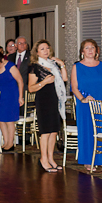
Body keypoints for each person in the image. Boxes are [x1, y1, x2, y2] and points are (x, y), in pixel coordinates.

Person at [71, 39, 102, 173]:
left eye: (92, 47)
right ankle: (88, 160)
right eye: (87, 48)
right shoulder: (77, 66)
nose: (90, 50)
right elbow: (74, 87)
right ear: (82, 51)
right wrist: (82, 99)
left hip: (101, 104)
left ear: (96, 51)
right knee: (87, 131)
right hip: (85, 105)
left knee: (101, 131)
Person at [28, 41, 68, 172]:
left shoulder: (53, 65)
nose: (46, 51)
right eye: (42, 49)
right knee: (45, 131)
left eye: (47, 48)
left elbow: (65, 79)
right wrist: (44, 82)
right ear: (37, 52)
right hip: (43, 101)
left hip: (55, 100)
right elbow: (31, 88)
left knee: (54, 131)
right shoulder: (34, 67)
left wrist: (62, 64)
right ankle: (43, 159)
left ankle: (51, 158)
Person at [0, 51, 23, 152]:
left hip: (11, 95)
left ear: (2, 60)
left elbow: (20, 81)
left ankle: (10, 143)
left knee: (9, 120)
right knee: (1, 120)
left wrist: (20, 97)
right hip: (0, 96)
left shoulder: (10, 66)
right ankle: (5, 142)